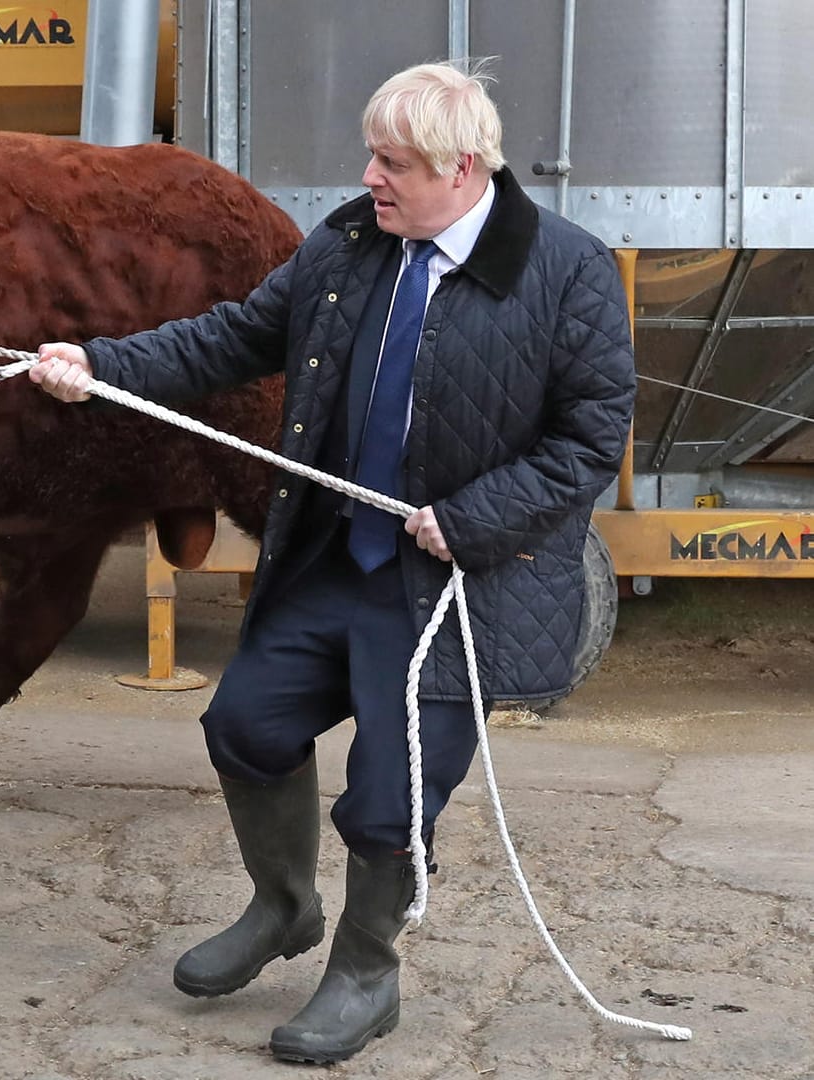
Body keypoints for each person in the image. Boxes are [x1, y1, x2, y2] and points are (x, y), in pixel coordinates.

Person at [31, 62, 635, 1063]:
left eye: (393, 162)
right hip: (336, 562)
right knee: (244, 725)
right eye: (372, 157)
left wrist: (477, 517)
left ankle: (365, 973)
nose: (371, 177)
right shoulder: (352, 244)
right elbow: (233, 338)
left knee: (386, 805)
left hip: (457, 590)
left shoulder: (565, 272)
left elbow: (590, 438)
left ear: (463, 169)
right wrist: (100, 365)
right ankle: (284, 907)